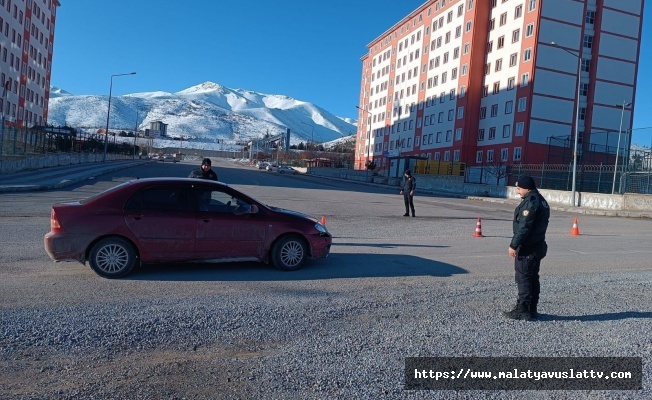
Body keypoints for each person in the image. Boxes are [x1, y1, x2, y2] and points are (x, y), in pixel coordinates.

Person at [503, 175, 550, 321]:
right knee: (532, 278)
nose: (517, 191)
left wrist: (514, 245)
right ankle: (531, 309)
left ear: (527, 188)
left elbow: (524, 227)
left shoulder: (531, 202)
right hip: (537, 245)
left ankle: (523, 310)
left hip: (528, 247)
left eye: (519, 188)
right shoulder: (541, 200)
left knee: (523, 278)